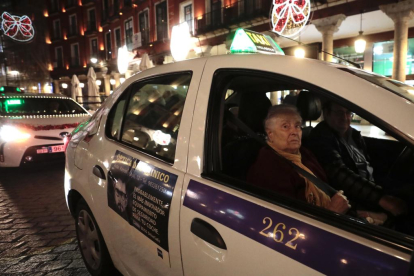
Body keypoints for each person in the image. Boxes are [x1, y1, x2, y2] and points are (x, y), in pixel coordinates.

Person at [307, 101, 406, 216]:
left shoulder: (353, 135)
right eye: (339, 112)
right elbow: (340, 174)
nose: (345, 117)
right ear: (327, 113)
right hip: (354, 198)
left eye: (348, 112)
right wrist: (380, 198)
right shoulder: (320, 138)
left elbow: (368, 163)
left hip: (369, 187)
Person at [247, 105, 350, 214]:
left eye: (297, 126)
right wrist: (332, 211)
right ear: (270, 134)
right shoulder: (268, 167)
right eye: (285, 127)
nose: (294, 132)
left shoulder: (305, 154)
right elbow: (286, 220)